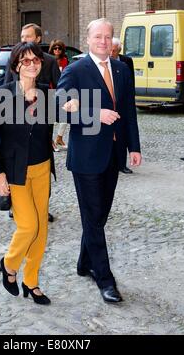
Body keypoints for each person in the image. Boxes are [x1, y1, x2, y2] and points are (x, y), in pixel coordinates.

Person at [56, 18, 142, 303]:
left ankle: (84, 262)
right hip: (86, 158)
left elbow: (128, 110)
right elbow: (60, 108)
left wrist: (134, 147)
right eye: (98, 37)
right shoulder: (76, 70)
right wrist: (95, 114)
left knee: (98, 216)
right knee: (93, 218)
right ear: (88, 39)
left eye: (108, 37)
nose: (104, 42)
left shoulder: (120, 68)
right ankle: (104, 278)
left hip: (114, 155)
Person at [0, 42, 54, 305]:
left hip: (42, 168)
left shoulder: (47, 94)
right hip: (15, 172)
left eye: (36, 60)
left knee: (41, 232)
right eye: (25, 61)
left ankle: (32, 281)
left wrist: (75, 108)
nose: (32, 64)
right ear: (15, 65)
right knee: (28, 226)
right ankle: (9, 264)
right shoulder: (1, 95)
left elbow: (60, 117)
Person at [4, 23, 60, 222]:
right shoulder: (15, 58)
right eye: (21, 36)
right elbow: (5, 89)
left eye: (28, 36)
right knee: (16, 165)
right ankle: (15, 205)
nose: (24, 39)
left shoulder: (50, 61)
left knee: (43, 166)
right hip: (17, 122)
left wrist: (50, 131)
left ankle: (42, 208)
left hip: (41, 123)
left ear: (37, 39)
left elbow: (57, 94)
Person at [111, 37, 135, 174]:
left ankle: (122, 164)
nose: (111, 53)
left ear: (119, 51)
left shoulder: (126, 61)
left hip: (122, 101)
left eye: (114, 51)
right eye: (110, 50)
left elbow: (130, 80)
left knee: (123, 133)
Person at [49, 39, 68, 150]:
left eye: (59, 48)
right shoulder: (48, 60)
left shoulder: (65, 60)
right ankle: (50, 141)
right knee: (52, 119)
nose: (57, 50)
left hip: (62, 91)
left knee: (65, 116)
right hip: (50, 91)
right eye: (55, 48)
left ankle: (59, 138)